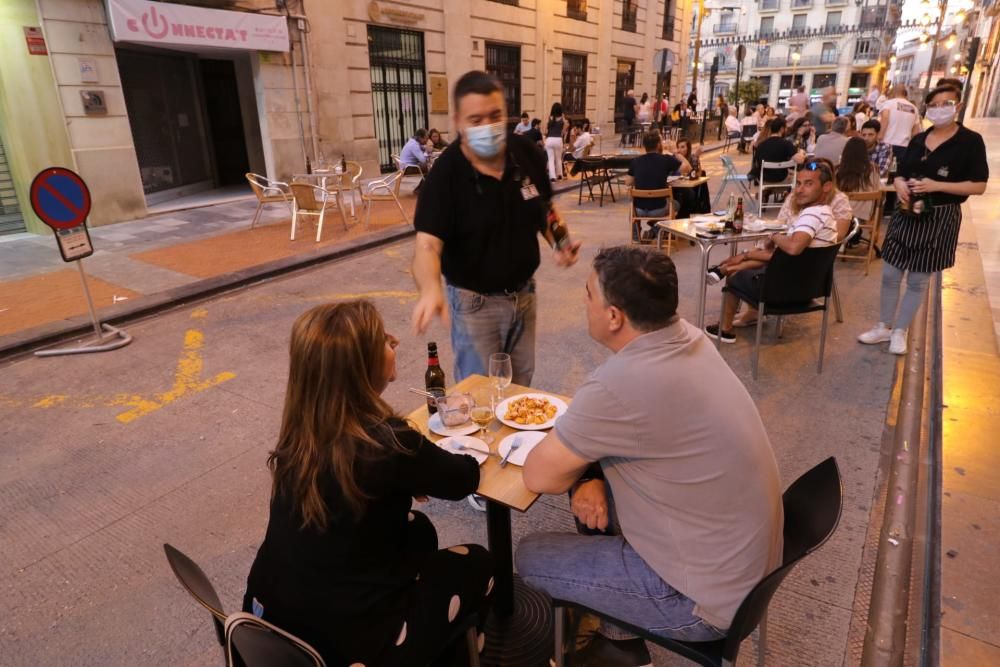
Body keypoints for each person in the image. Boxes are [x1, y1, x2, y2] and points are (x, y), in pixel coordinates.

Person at [516, 246, 783, 666]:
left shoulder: (617, 386)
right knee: (588, 496)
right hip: (743, 568)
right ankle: (619, 638)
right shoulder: (692, 338)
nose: (581, 302)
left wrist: (583, 470)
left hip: (698, 602)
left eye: (588, 294)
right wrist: (592, 478)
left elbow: (540, 477)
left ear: (614, 316)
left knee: (530, 554)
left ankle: (620, 651)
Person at [242, 301, 493, 667]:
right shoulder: (388, 442)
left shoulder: (299, 435)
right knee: (480, 562)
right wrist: (428, 463)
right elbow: (464, 478)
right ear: (361, 366)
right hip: (350, 648)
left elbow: (362, 487)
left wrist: (406, 478)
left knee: (418, 528)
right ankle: (452, 649)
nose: (394, 342)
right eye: (383, 339)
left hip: (268, 624)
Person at [411, 70, 581, 386]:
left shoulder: (525, 153)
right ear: (458, 121)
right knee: (480, 395)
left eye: (495, 115)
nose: (487, 127)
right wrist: (430, 287)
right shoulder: (446, 174)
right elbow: (427, 244)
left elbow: (544, 209)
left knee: (519, 390)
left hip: (525, 294)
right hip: (475, 305)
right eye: (476, 120)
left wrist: (560, 241)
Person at [859, 84, 989, 355]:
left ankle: (900, 330)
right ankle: (883, 326)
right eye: (935, 104)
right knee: (890, 274)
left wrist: (937, 186)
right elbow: (900, 172)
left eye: (947, 103)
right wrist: (899, 184)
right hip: (907, 212)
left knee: (918, 280)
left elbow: (978, 185)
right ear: (927, 108)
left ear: (958, 106)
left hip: (940, 215)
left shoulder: (970, 141)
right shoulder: (919, 140)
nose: (940, 109)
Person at [706, 161, 840, 342]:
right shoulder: (827, 214)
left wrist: (774, 236)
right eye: (798, 184)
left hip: (782, 293)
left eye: (809, 184)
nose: (800, 190)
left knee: (737, 275)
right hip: (809, 290)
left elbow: (793, 248)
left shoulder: (812, 215)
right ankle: (730, 277)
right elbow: (787, 256)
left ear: (826, 187)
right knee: (752, 264)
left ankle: (725, 329)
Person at [624, 131, 689, 240]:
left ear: (644, 146)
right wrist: (676, 153)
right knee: (676, 204)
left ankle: (636, 234)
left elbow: (628, 182)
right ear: (659, 145)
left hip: (639, 210)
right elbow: (686, 168)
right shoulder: (665, 160)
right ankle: (657, 228)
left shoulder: (636, 161)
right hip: (659, 208)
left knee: (632, 205)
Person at [837, 136, 881, 223]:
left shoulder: (838, 170)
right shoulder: (873, 169)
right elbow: (876, 190)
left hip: (840, 215)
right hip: (863, 216)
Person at [751, 117, 805, 186]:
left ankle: (768, 192)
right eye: (786, 128)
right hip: (781, 178)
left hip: (764, 179)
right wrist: (802, 153)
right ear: (781, 129)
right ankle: (788, 195)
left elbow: (757, 162)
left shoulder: (761, 144)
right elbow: (800, 160)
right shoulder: (786, 143)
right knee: (798, 176)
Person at [878, 83, 921, 161]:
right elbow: (916, 132)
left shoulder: (888, 104)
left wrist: (879, 137)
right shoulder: (914, 108)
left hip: (887, 144)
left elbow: (885, 119)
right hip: (905, 147)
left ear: (894, 92)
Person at [545, 102, 568, 181]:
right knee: (558, 158)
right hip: (558, 139)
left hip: (549, 140)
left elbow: (546, 129)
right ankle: (559, 175)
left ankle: (552, 176)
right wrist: (562, 132)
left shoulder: (549, 117)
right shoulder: (562, 117)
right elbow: (566, 125)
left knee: (551, 159)